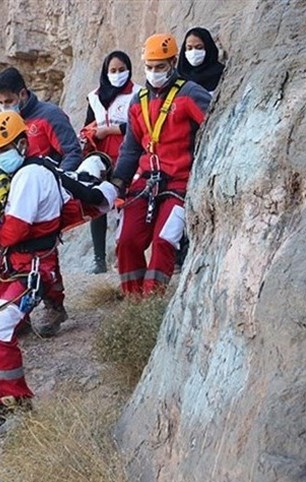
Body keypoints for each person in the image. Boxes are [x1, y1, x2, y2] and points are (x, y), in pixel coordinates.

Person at [0, 111, 120, 434]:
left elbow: (15, 231)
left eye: (4, 148)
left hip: (32, 267)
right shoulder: (25, 173)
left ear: (22, 143)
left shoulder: (32, 175)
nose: (0, 156)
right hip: (16, 266)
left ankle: (18, 404)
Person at [109, 32, 211, 298]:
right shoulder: (138, 101)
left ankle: (152, 300)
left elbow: (213, 131)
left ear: (173, 62)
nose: (154, 73)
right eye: (150, 67)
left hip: (179, 182)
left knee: (163, 241)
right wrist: (118, 182)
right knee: (126, 240)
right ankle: (134, 302)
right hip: (146, 182)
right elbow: (130, 148)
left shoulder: (190, 94)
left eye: (160, 67)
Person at [0, 66, 82, 336]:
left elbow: (71, 152)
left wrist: (59, 187)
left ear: (22, 93)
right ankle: (19, 312)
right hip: (19, 195)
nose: (5, 108)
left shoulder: (48, 116)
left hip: (46, 196)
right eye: (0, 104)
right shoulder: (5, 126)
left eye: (9, 102)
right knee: (9, 253)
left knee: (43, 253)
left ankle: (54, 306)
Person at [80, 50, 142, 274]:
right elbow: (88, 124)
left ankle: (120, 256)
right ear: (106, 73)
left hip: (128, 156)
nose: (117, 74)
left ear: (129, 70)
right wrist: (92, 133)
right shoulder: (94, 96)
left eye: (121, 70)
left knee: (124, 204)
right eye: (112, 71)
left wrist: (111, 130)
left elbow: (141, 125)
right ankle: (99, 260)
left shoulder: (138, 93)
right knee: (97, 204)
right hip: (100, 157)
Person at [173, 27, 226, 273]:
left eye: (199, 47)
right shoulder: (177, 79)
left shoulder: (221, 74)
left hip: (209, 145)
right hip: (180, 146)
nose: (194, 52)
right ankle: (180, 255)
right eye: (189, 48)